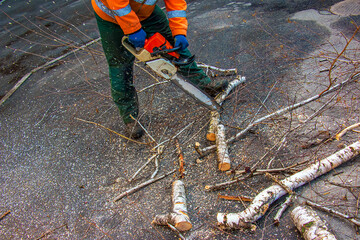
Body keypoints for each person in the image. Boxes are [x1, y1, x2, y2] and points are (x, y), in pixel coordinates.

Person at [92, 0, 228, 139]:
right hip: (111, 17)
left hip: (146, 13)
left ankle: (202, 84)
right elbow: (118, 4)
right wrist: (133, 29)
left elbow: (176, 3)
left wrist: (179, 31)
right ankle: (130, 118)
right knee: (120, 66)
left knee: (172, 45)